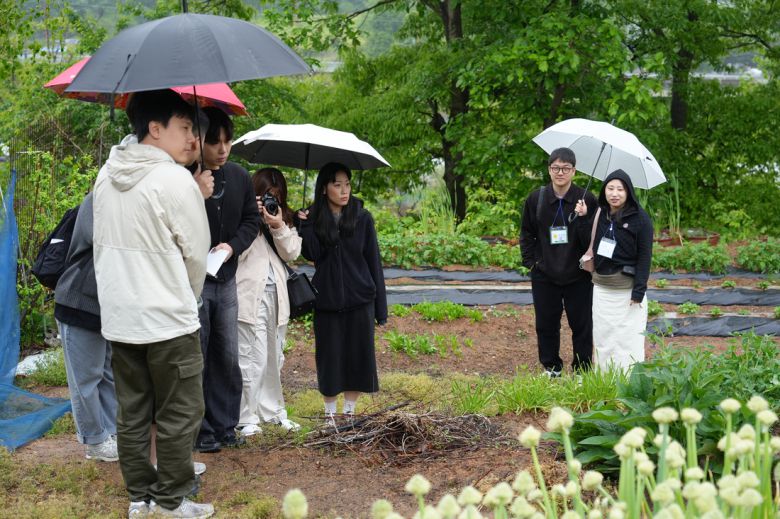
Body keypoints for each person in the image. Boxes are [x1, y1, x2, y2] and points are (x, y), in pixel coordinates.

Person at [92, 89, 213, 518]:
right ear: (155, 129)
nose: (193, 139)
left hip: (121, 318)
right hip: (168, 321)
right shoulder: (173, 179)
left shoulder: (106, 175)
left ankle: (140, 498)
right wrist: (188, 298)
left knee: (132, 413)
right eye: (184, 128)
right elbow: (197, 254)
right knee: (180, 411)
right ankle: (171, 501)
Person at [194, 107, 262, 453]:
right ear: (198, 141)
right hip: (195, 282)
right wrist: (195, 190)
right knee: (199, 355)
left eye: (227, 141)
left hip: (227, 277)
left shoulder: (238, 177)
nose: (222, 149)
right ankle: (201, 429)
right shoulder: (186, 178)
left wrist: (232, 247)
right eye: (214, 142)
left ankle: (225, 424)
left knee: (227, 354)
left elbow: (252, 221)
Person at [299, 162, 387, 422]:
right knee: (329, 358)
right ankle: (329, 414)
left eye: (347, 184)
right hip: (327, 301)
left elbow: (374, 262)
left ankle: (349, 412)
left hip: (360, 300)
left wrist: (380, 309)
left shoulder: (362, 217)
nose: (344, 190)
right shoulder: (314, 218)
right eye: (337, 185)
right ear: (324, 188)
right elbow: (311, 253)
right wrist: (304, 225)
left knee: (357, 357)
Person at [519, 147, 598, 377]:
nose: (560, 172)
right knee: (546, 324)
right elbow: (526, 233)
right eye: (555, 168)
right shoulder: (537, 198)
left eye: (565, 168)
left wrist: (583, 218)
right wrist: (531, 262)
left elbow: (592, 240)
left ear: (574, 171)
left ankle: (582, 370)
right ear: (549, 170)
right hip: (545, 274)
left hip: (579, 275)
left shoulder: (587, 199)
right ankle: (551, 367)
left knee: (582, 325)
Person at [235, 168, 302, 436]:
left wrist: (276, 224)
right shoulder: (243, 216)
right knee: (252, 358)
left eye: (276, 196)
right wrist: (252, 218)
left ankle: (273, 412)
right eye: (266, 196)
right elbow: (236, 254)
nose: (272, 201)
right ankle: (245, 417)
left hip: (277, 297)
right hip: (250, 296)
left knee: (274, 357)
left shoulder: (282, 219)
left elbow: (292, 252)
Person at [54, 191, 118, 463]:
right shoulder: (102, 196)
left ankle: (110, 432)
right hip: (79, 300)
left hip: (107, 305)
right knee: (86, 379)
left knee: (108, 373)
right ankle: (94, 440)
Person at [590, 169, 653, 370]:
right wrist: (581, 216)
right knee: (603, 337)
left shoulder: (641, 219)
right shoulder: (600, 213)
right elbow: (587, 240)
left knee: (628, 340)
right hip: (602, 288)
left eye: (620, 189)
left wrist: (639, 290)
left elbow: (645, 257)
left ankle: (628, 381)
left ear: (628, 193)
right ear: (604, 191)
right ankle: (604, 381)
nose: (614, 194)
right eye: (610, 188)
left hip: (627, 291)